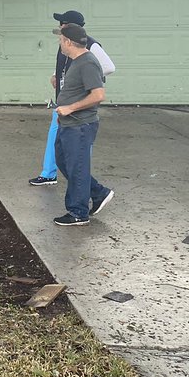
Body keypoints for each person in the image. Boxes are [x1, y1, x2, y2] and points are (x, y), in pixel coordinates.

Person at [28, 10, 115, 186]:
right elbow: (69, 62)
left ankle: (81, 178)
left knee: (80, 144)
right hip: (62, 101)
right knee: (55, 137)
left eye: (61, 23)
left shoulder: (90, 45)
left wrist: (83, 79)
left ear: (68, 25)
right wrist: (56, 74)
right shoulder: (65, 43)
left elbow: (108, 67)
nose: (59, 26)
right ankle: (49, 173)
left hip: (77, 106)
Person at [51, 22, 114, 225]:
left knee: (77, 167)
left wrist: (71, 108)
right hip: (68, 124)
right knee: (63, 161)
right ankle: (97, 192)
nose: (60, 44)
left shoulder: (87, 62)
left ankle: (78, 212)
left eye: (61, 40)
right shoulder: (76, 61)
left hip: (80, 125)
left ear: (68, 42)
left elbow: (98, 95)